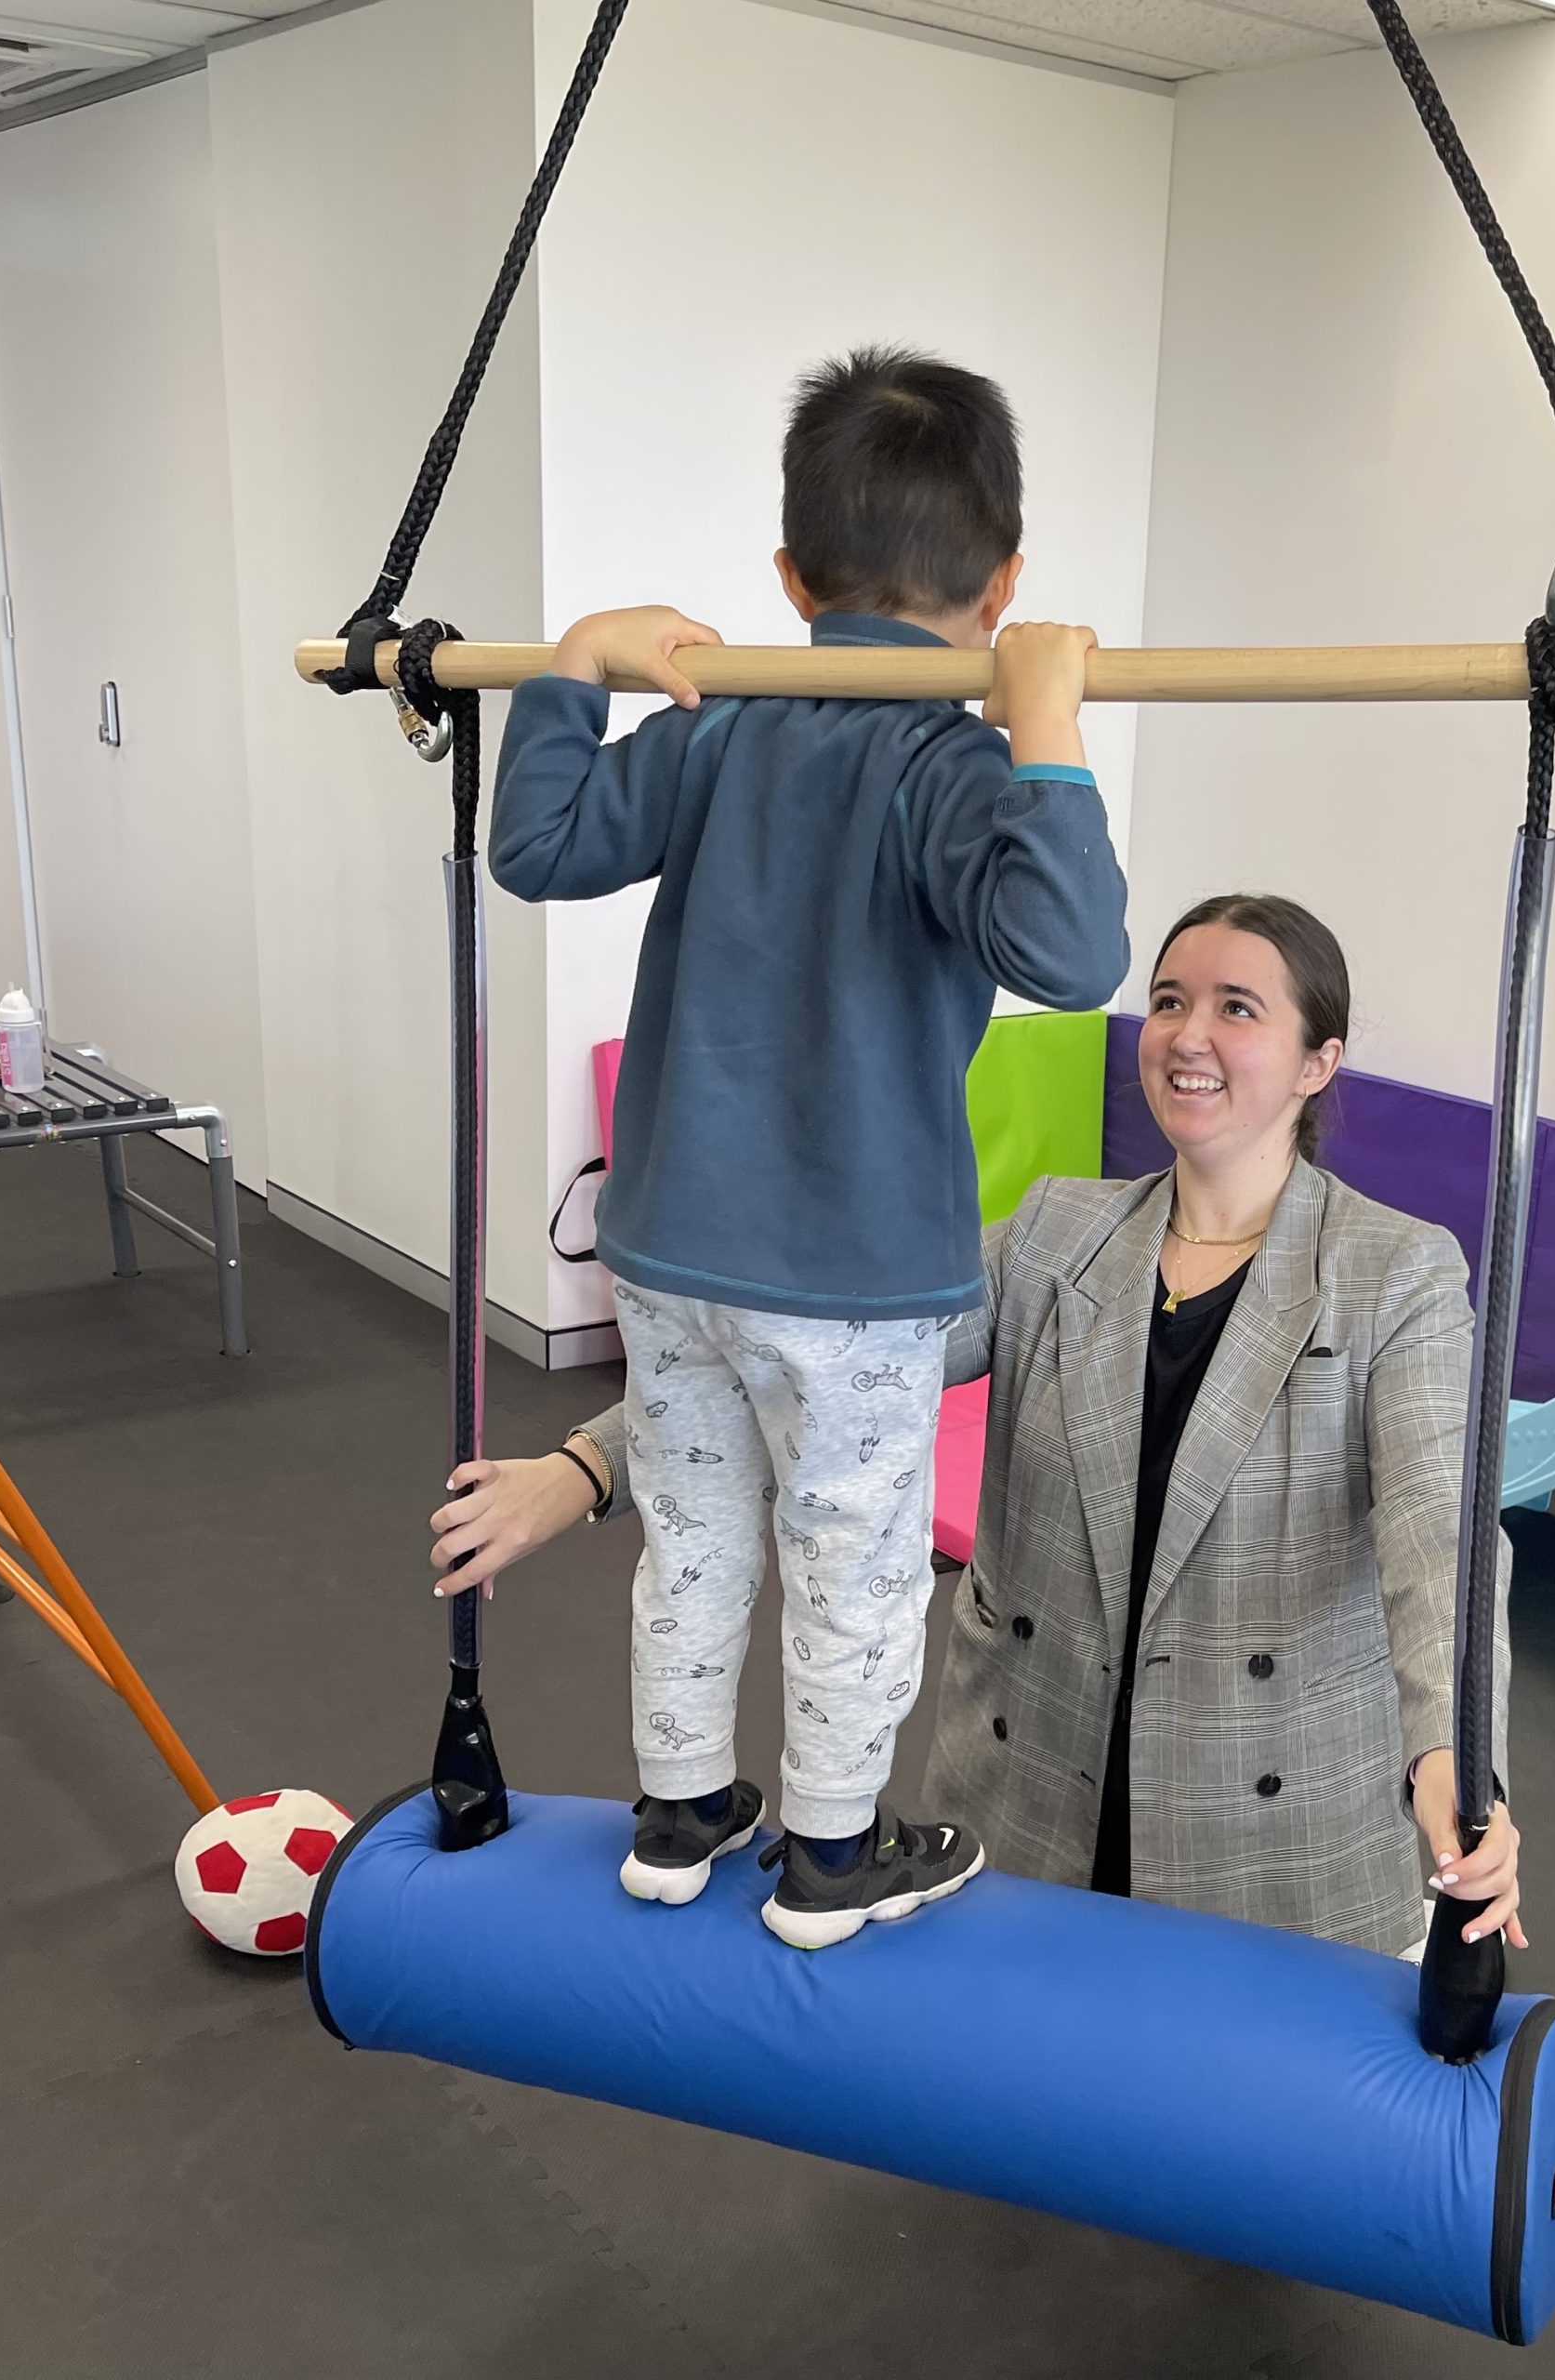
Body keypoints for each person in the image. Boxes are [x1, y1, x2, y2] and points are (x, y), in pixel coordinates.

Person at [441, 895, 1523, 1960]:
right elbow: (823, 1379)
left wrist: (1451, 1751)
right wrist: (581, 1469)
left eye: (1238, 1008)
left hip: (1268, 1829)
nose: (1189, 1036)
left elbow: (1443, 1534)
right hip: (1031, 1789)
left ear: (1315, 1062)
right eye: (1167, 1000)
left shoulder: (1397, 1273)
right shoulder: (1058, 1233)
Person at [478, 346, 1130, 1949]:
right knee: (850, 1557)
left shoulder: (735, 718)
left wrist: (572, 667)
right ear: (1007, 579)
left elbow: (537, 844)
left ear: (789, 578)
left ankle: (684, 1806)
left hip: (670, 1257)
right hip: (850, 1285)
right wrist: (1045, 734)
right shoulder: (957, 763)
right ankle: (832, 1853)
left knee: (698, 1536)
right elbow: (1074, 954)